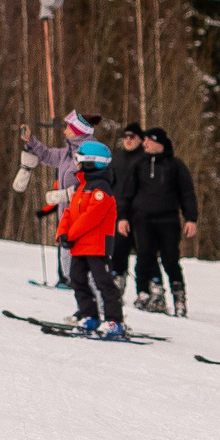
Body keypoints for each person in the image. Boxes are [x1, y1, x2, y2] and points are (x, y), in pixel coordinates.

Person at [117, 125, 199, 317]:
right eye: (143, 140)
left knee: (171, 259)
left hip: (168, 219)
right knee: (144, 256)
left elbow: (187, 194)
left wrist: (191, 219)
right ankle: (143, 293)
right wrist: (122, 217)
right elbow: (126, 194)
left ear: (158, 143)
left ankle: (179, 297)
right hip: (142, 219)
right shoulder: (138, 165)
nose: (144, 143)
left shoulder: (175, 165)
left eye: (148, 140)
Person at [50, 138, 125, 338]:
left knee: (103, 282)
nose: (76, 163)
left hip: (97, 245)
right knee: (77, 279)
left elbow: (90, 218)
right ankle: (89, 315)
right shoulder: (83, 186)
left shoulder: (101, 189)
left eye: (79, 159)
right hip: (80, 245)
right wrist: (62, 233)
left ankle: (114, 321)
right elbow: (70, 212)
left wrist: (71, 234)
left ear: (91, 161)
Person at [15, 109, 99, 287]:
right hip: (67, 217)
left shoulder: (91, 153)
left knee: (83, 263)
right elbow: (45, 154)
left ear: (78, 130)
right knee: (68, 261)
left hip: (84, 218)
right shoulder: (66, 154)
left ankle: (94, 297)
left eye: (68, 127)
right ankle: (78, 295)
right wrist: (30, 140)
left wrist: (68, 194)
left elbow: (96, 182)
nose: (64, 130)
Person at [106, 121, 146, 300]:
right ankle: (116, 288)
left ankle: (147, 292)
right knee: (118, 252)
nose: (128, 140)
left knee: (145, 254)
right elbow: (108, 184)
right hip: (119, 214)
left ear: (140, 139)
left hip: (141, 215)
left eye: (132, 137)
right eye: (125, 136)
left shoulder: (146, 159)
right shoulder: (116, 159)